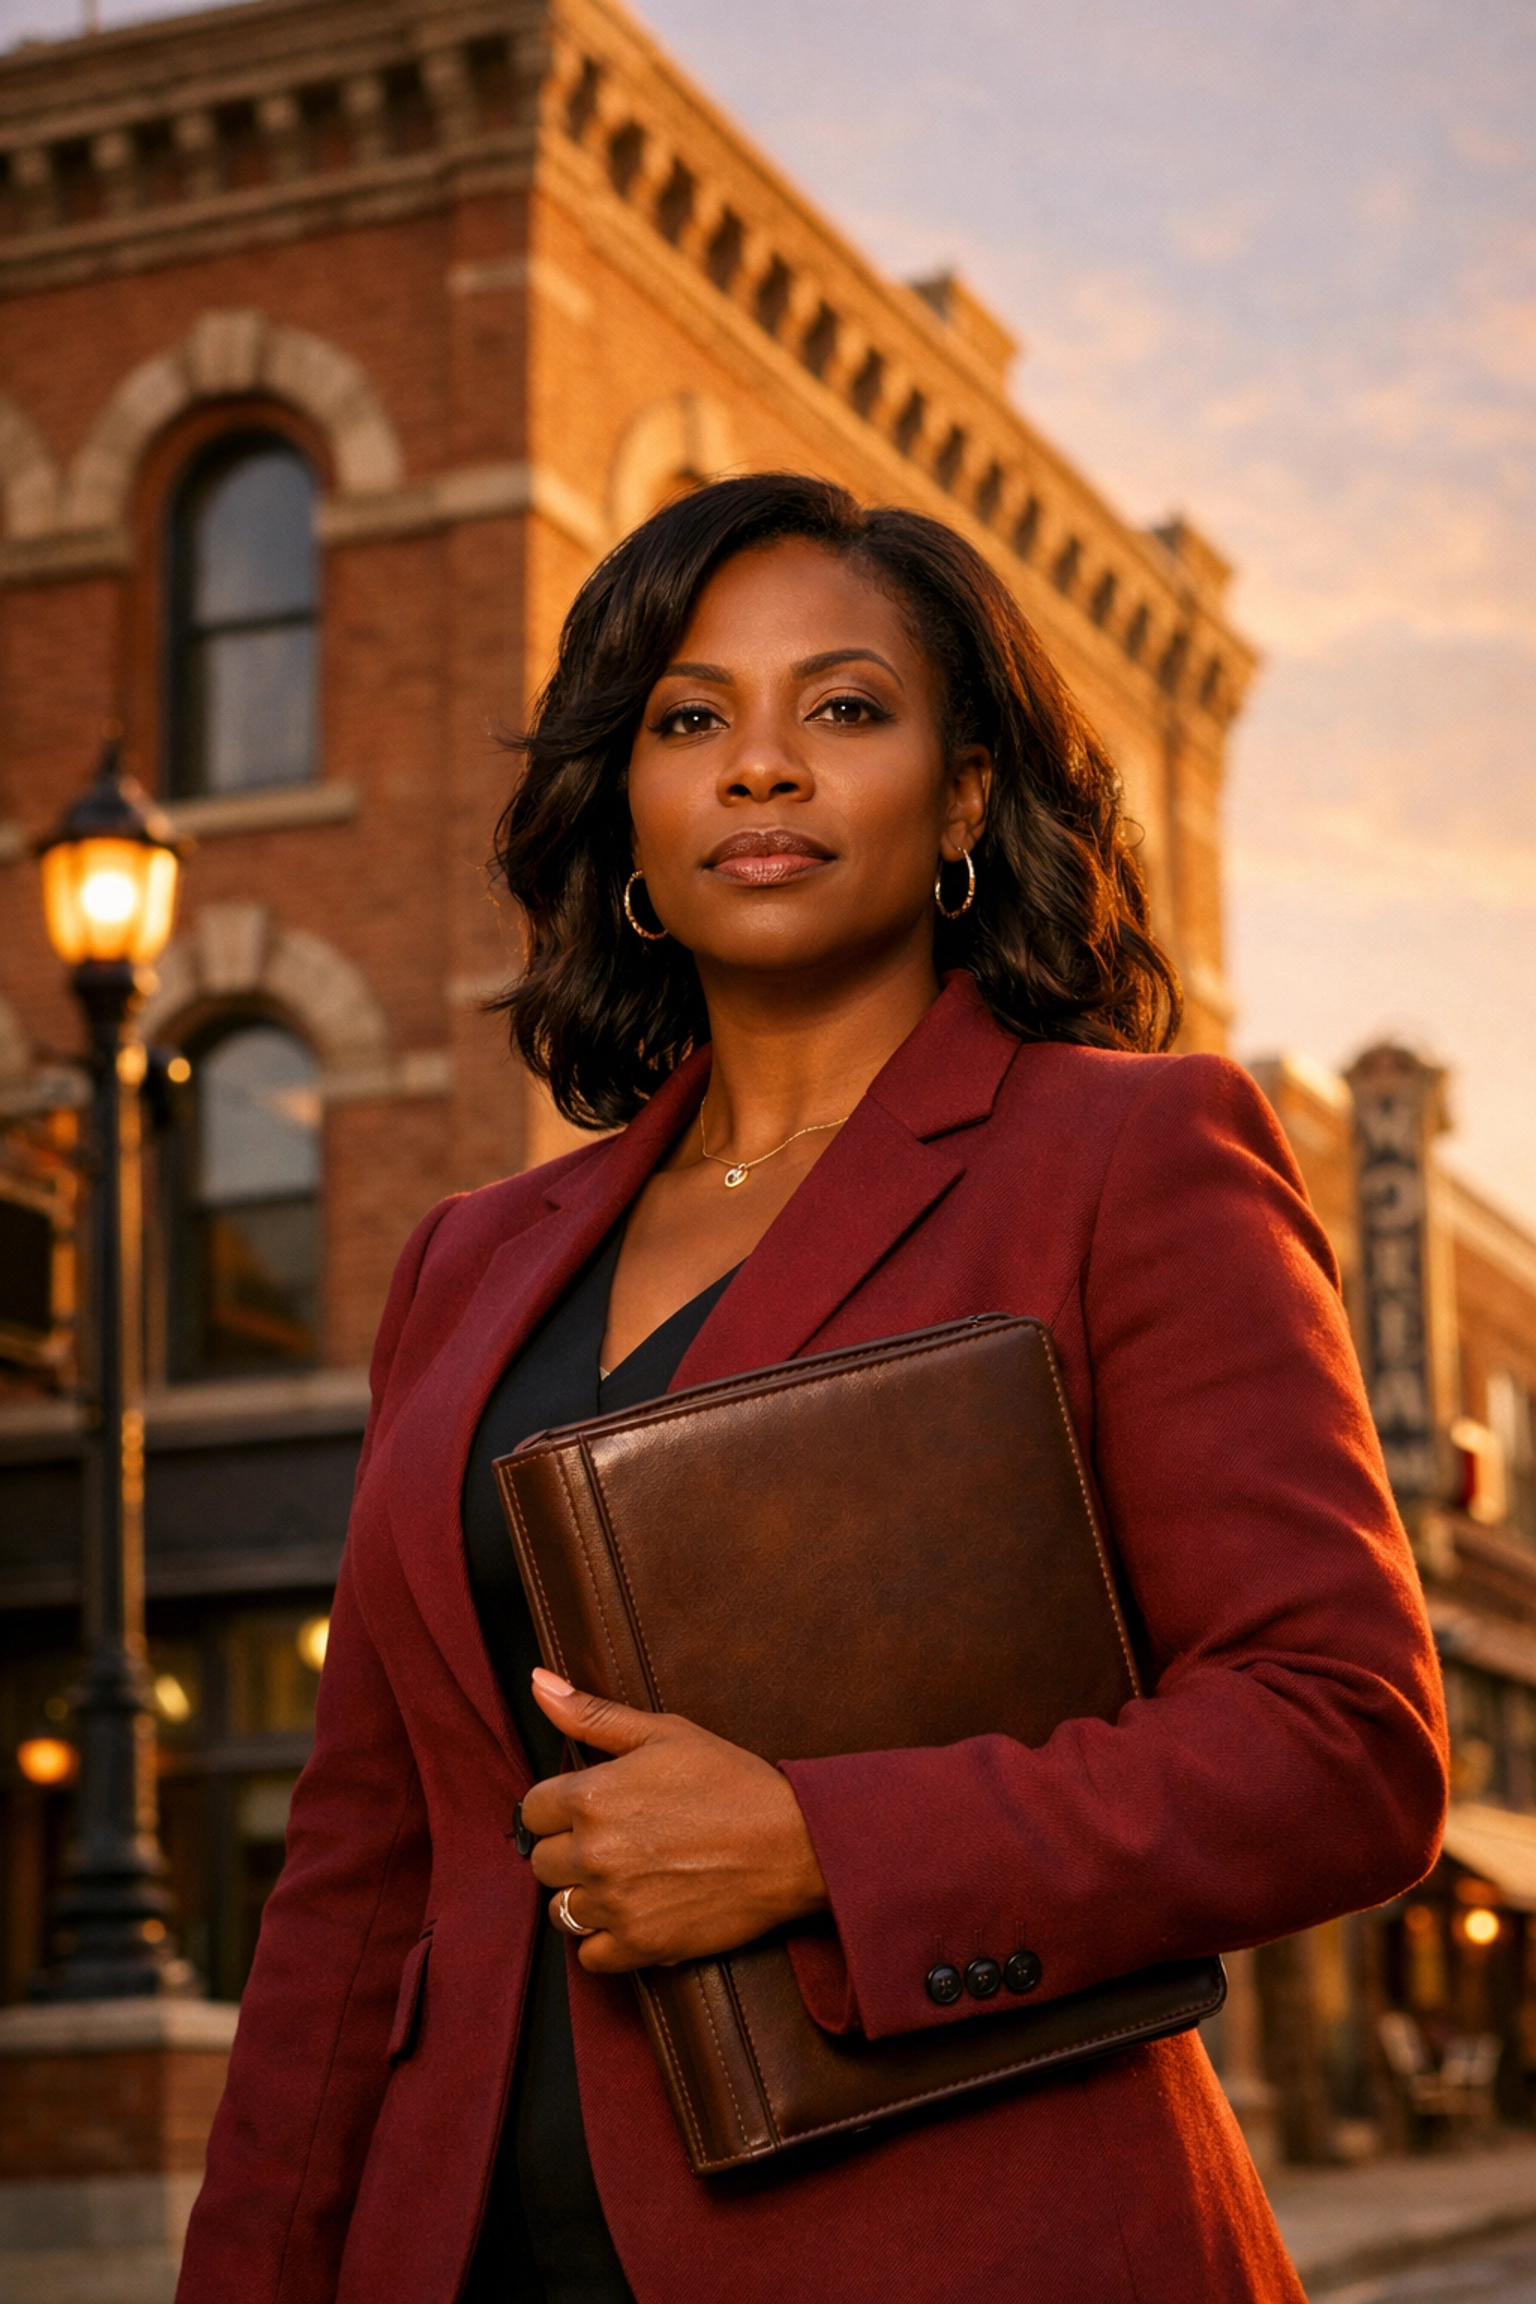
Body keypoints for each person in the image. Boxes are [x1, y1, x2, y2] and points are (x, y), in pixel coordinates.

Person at [177, 474, 1447, 2304]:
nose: (759, 767)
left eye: (842, 710)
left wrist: (822, 1846)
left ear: (967, 797)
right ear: (627, 801)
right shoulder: (468, 1258)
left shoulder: (1130, 1155)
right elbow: (361, 1869)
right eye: (693, 719)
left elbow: (1342, 1745)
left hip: (965, 2244)